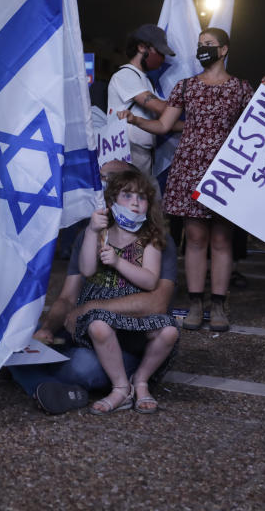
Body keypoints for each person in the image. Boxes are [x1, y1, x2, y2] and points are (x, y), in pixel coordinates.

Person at [120, 28, 265, 332]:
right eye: (199, 45)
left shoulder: (242, 88)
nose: (202, 49)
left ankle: (218, 304)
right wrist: (136, 119)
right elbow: (165, 125)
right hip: (190, 168)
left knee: (221, 240)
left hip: (227, 172)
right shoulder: (185, 87)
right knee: (194, 239)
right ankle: (194, 302)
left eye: (209, 45)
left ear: (224, 49)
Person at [73, 169, 179, 414]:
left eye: (141, 197)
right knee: (99, 325)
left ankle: (140, 381)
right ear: (111, 202)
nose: (135, 202)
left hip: (133, 309)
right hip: (101, 307)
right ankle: (121, 388)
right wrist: (90, 231)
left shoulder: (149, 237)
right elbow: (87, 269)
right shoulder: (101, 232)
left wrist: (119, 262)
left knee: (169, 331)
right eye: (127, 195)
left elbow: (151, 282)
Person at [106, 24, 176, 177]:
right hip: (126, 154)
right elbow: (161, 108)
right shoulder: (126, 75)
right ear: (142, 47)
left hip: (142, 155)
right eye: (159, 52)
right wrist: (191, 99)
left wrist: (197, 124)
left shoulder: (146, 80)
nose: (162, 58)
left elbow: (166, 120)